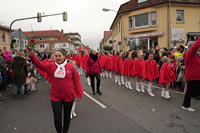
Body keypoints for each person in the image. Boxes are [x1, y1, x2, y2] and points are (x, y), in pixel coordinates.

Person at [27, 48, 83, 133]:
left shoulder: (70, 67)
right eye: (55, 56)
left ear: (64, 56)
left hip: (69, 96)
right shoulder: (51, 66)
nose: (57, 57)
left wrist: (78, 94)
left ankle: (65, 131)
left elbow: (77, 81)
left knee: (67, 117)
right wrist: (31, 55)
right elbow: (39, 64)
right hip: (55, 97)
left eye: (59, 56)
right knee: (57, 118)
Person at [182, 38, 200, 112]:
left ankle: (185, 105)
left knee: (190, 92)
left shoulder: (196, 55)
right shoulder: (189, 54)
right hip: (192, 77)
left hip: (197, 76)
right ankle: (186, 106)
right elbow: (195, 46)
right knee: (189, 92)